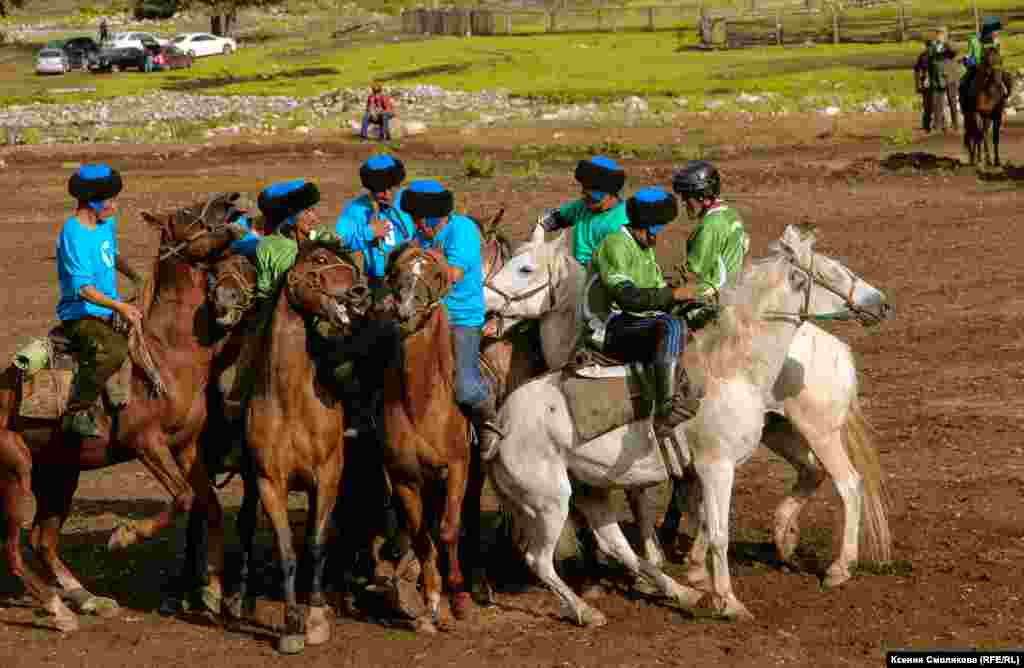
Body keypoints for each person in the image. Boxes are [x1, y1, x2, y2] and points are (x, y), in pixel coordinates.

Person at [399, 179, 502, 455]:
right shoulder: (421, 236)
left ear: (433, 217)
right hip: (425, 315)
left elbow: (453, 275)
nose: (415, 224)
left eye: (418, 219)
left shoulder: (462, 230)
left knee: (464, 387)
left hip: (461, 319)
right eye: (414, 219)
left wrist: (424, 257)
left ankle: (489, 420)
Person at [592, 187, 700, 438]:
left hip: (637, 322)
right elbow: (629, 299)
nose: (659, 237)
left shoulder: (645, 249)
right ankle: (666, 410)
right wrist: (673, 295)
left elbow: (659, 300)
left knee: (691, 320)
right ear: (646, 226)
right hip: (609, 327)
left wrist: (692, 303)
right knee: (671, 326)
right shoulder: (615, 244)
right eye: (657, 230)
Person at [57, 164, 144, 438]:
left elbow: (111, 254)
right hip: (81, 315)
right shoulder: (73, 234)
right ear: (92, 202)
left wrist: (136, 276)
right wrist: (120, 306)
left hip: (109, 306)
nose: (115, 206)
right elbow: (83, 289)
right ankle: (76, 411)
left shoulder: (106, 224)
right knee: (114, 350)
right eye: (110, 201)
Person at [314, 154, 415, 295]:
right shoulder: (356, 209)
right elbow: (339, 243)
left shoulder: (411, 199)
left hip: (414, 275)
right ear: (371, 189)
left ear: (398, 184)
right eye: (380, 190)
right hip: (379, 281)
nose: (387, 195)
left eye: (391, 188)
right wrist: (369, 232)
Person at [671, 160, 749, 297]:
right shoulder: (730, 213)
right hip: (734, 291)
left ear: (701, 196)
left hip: (714, 294)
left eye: (686, 196)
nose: (683, 202)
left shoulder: (711, 225)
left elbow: (693, 273)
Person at [536, 155, 629, 267]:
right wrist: (538, 235)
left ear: (611, 194)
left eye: (592, 196)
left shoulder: (622, 221)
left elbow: (617, 262)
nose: (585, 198)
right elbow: (553, 219)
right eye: (584, 192)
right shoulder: (582, 207)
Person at [961, 17, 1003, 112]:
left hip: (993, 67)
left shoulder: (996, 41)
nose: (997, 33)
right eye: (995, 30)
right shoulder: (973, 39)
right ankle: (965, 105)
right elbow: (970, 54)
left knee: (1005, 80)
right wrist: (968, 60)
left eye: (997, 31)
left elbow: (998, 55)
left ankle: (1002, 102)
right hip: (977, 66)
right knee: (963, 82)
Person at [914, 39, 934, 132]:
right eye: (929, 46)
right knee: (928, 105)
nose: (929, 48)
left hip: (932, 82)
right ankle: (927, 125)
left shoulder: (924, 55)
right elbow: (917, 70)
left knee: (931, 105)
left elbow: (916, 70)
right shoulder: (923, 56)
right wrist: (917, 85)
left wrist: (917, 85)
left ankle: (930, 125)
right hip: (928, 82)